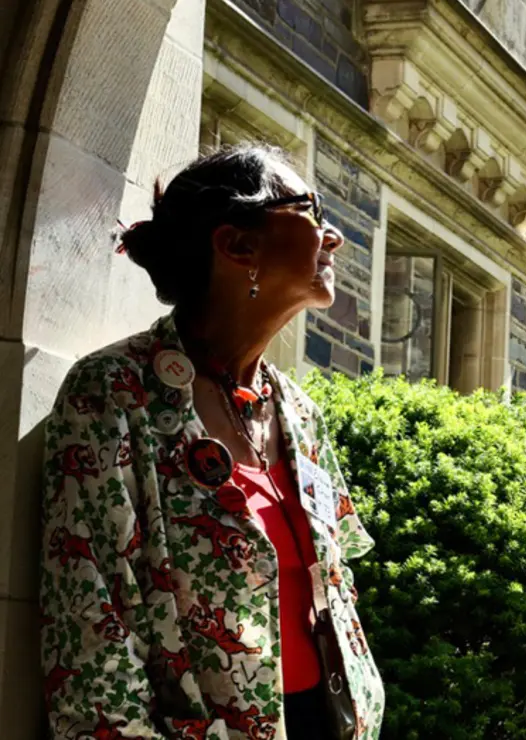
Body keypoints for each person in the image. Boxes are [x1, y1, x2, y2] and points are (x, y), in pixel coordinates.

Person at [39, 145, 385, 739]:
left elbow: (335, 583)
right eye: (311, 209)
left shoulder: (300, 414)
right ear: (236, 246)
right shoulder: (116, 392)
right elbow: (91, 634)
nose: (334, 237)